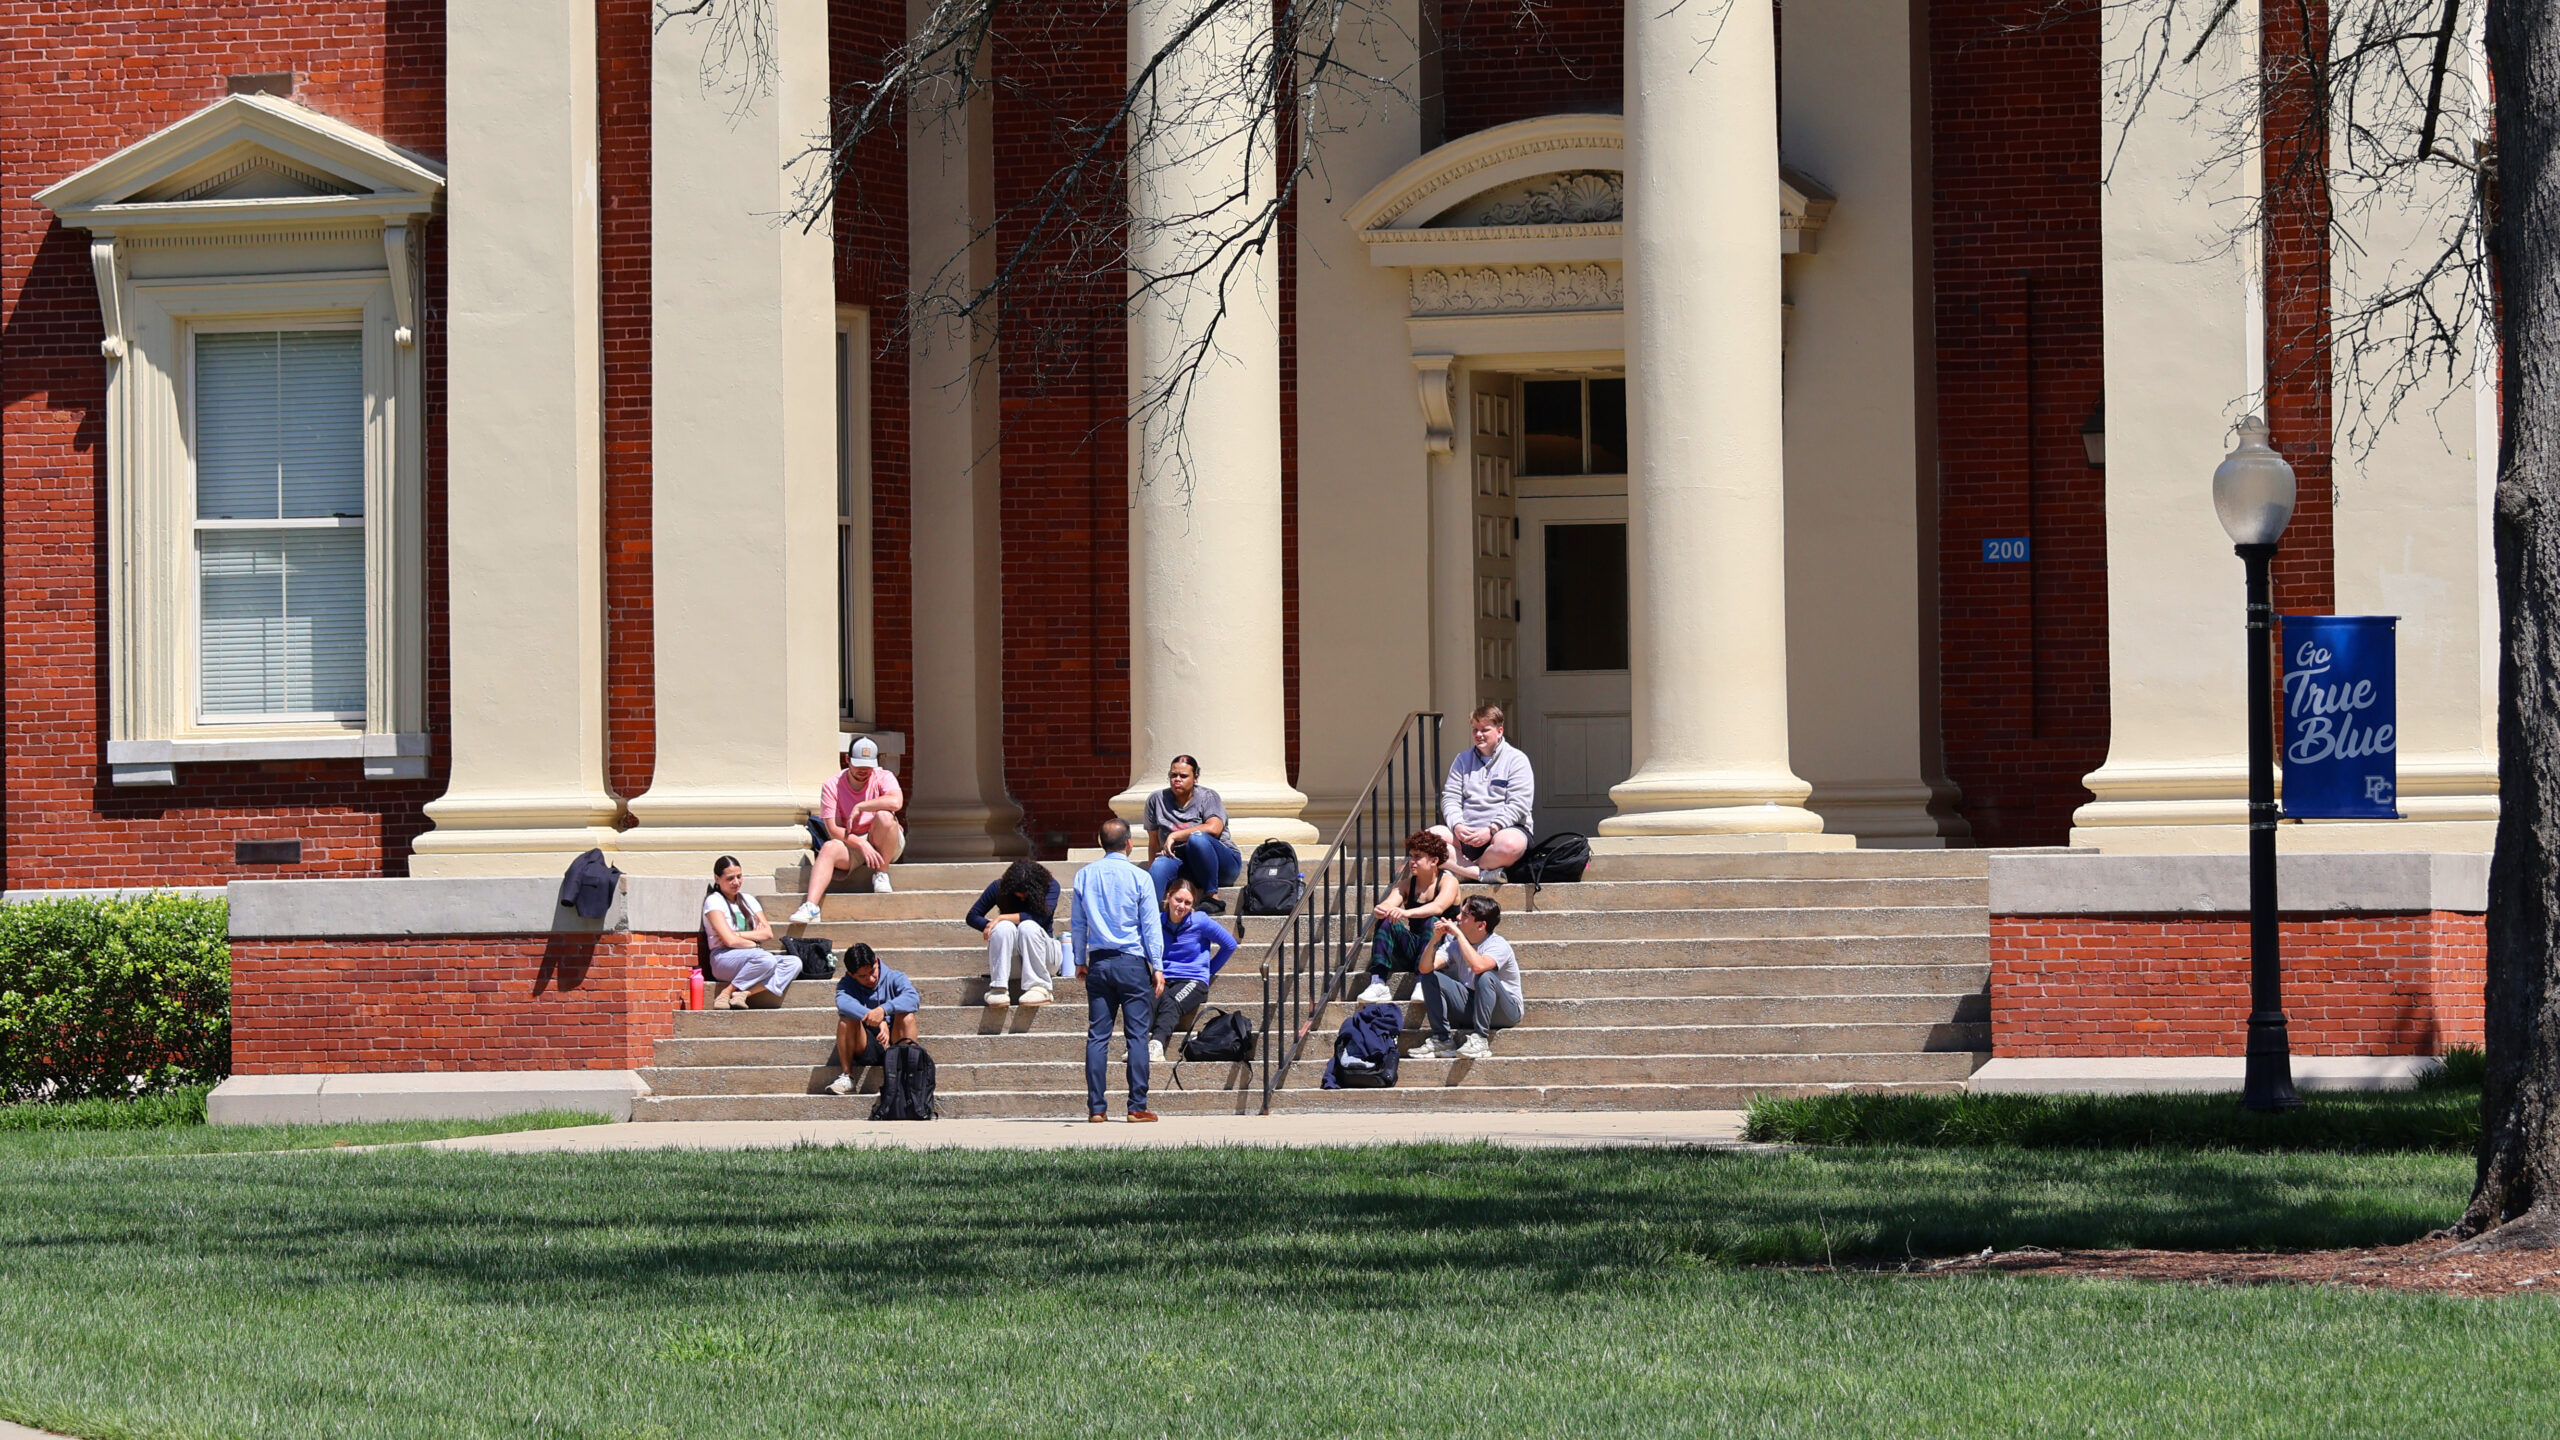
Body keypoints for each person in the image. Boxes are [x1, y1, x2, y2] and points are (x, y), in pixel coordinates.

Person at [1069, 816, 1166, 1121]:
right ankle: (1137, 1106)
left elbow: (1078, 923)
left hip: (1099, 961)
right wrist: (1158, 965)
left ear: (1100, 843)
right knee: (1137, 1035)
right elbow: (1151, 926)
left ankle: (1097, 1108)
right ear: (1129, 843)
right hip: (1132, 962)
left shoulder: (1084, 875)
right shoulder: (1140, 877)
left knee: (1098, 1036)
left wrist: (1079, 960)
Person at [792, 736, 905, 921]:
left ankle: (881, 874)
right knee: (828, 848)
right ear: (847, 760)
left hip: (886, 840)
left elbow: (896, 802)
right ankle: (811, 906)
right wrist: (861, 844)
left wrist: (861, 806)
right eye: (858, 764)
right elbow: (833, 829)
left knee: (884, 816)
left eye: (868, 766)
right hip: (852, 842)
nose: (863, 770)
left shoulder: (884, 776)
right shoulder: (832, 785)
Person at [1412, 894, 1523, 1061]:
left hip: (1506, 1010)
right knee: (1429, 977)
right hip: (1474, 1004)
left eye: (1464, 915)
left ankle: (1480, 1039)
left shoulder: (1498, 944)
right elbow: (1425, 967)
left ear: (1481, 925)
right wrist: (1435, 938)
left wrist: (1458, 934)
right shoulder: (1454, 945)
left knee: (1485, 976)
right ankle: (1442, 1040)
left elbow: (1478, 966)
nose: (1457, 917)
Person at [1356, 830, 1462, 1004]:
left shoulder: (1448, 882)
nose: (1412, 862)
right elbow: (1389, 903)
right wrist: (1381, 910)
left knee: (1432, 921)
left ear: (1434, 860)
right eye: (1411, 856)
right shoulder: (1406, 885)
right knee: (1386, 920)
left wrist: (1406, 912)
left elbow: (1438, 906)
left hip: (1443, 951)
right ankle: (1378, 982)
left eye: (1417, 857)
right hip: (1415, 949)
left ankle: (1423, 982)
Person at [1433, 705, 1534, 883]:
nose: (1479, 735)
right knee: (1430, 838)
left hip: (1502, 832)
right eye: (1475, 730)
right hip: (1465, 833)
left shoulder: (1517, 759)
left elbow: (1519, 804)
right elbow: (1450, 797)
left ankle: (1461, 871)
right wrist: (1457, 825)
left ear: (1499, 731)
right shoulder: (1462, 760)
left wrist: (1491, 829)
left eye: (1485, 730)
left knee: (1510, 845)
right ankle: (1480, 874)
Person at [1148, 876, 1240, 1064]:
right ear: (1168, 896)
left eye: (1188, 903)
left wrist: (1208, 971)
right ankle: (1136, 1045)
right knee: (1147, 1000)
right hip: (1166, 978)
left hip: (1192, 980)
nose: (1182, 906)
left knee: (1171, 1003)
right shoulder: (1157, 921)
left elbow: (1229, 944)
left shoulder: (1200, 921)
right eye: (1178, 900)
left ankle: (1156, 1045)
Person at [702, 854, 803, 1010]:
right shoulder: (714, 901)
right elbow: (730, 942)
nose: (736, 882)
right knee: (766, 959)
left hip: (752, 955)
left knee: (794, 963)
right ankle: (726, 993)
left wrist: (737, 935)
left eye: (739, 876)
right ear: (717, 878)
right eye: (730, 878)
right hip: (723, 957)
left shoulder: (748, 899)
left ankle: (743, 994)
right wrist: (754, 941)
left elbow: (767, 933)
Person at [1143, 754, 1242, 908]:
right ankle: (1150, 914)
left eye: (1183, 776)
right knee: (1159, 864)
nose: (1177, 779)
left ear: (1195, 778)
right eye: (1173, 775)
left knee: (1197, 839)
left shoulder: (1208, 797)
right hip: (1184, 864)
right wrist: (1152, 872)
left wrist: (1174, 836)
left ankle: (1211, 897)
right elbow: (1153, 842)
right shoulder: (1156, 800)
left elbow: (1214, 828)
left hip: (1222, 865)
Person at [827, 943, 921, 1096]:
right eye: (862, 976)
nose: (870, 979)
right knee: (846, 1019)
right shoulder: (846, 985)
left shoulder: (895, 977)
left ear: (876, 962)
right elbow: (843, 1003)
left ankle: (906, 1076)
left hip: (896, 1039)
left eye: (872, 972)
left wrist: (883, 1010)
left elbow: (913, 999)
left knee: (907, 1016)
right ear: (851, 974)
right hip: (866, 1043)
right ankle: (847, 1077)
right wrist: (878, 1020)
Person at [968, 857, 1060, 1009]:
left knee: (1028, 926)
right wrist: (992, 926)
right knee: (1003, 927)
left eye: (1026, 894)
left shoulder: (1051, 886)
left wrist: (1002, 917)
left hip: (1044, 959)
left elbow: (1040, 917)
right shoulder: (998, 887)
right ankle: (999, 989)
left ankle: (1040, 988)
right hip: (1012, 962)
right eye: (1018, 894)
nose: (1023, 897)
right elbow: (972, 916)